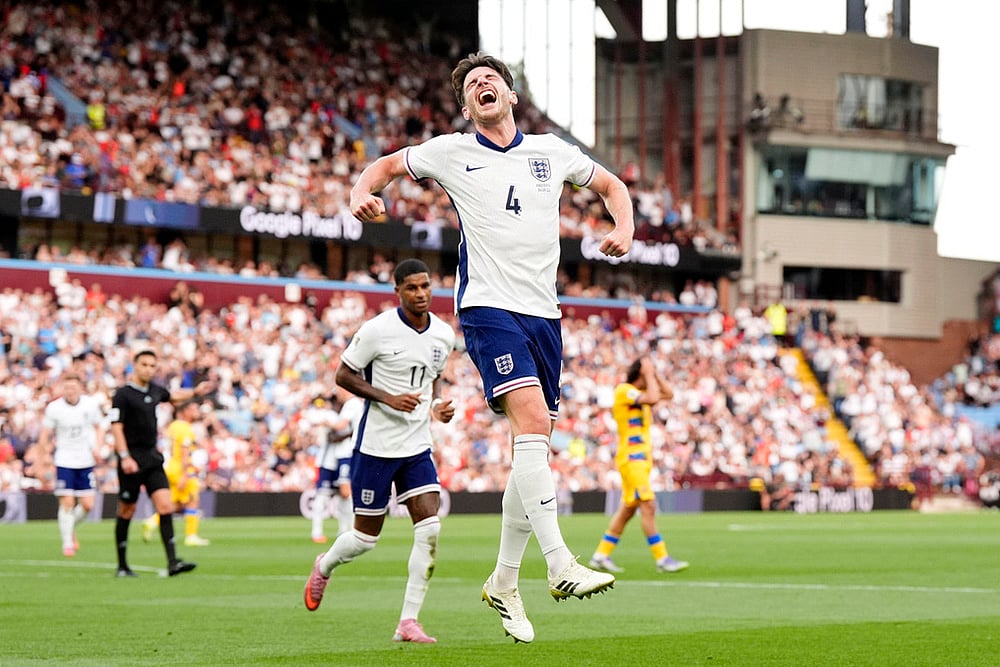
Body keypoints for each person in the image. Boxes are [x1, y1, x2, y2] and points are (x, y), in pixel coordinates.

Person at [349, 52, 635, 644]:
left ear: (510, 94)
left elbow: (611, 185)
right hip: (488, 308)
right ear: (465, 107)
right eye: (472, 85)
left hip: (544, 316)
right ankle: (559, 564)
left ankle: (504, 580)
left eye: (490, 80)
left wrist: (623, 226)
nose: (483, 86)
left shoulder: (551, 153)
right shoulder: (451, 151)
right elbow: (381, 168)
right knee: (531, 421)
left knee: (532, 447)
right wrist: (361, 193)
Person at [304, 259, 456, 644]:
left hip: (417, 444)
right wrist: (388, 398)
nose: (421, 294)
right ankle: (324, 565)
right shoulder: (376, 331)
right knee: (364, 539)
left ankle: (408, 622)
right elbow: (343, 375)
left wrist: (437, 407)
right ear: (398, 291)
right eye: (412, 288)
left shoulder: (442, 334)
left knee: (430, 529)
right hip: (376, 447)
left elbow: (433, 380)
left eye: (426, 287)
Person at [110, 349, 212, 577]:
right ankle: (122, 565)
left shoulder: (155, 390)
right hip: (131, 458)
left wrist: (195, 391)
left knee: (165, 506)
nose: (148, 369)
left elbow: (172, 396)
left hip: (152, 458)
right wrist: (124, 456)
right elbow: (116, 427)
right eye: (144, 364)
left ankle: (173, 562)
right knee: (127, 510)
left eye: (152, 366)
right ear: (135, 365)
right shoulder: (123, 395)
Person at [589, 358, 689, 574]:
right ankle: (662, 558)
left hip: (641, 459)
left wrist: (653, 373)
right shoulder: (625, 390)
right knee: (649, 505)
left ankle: (600, 555)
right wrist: (649, 374)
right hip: (632, 459)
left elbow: (669, 394)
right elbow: (654, 398)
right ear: (641, 374)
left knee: (627, 510)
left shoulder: (639, 395)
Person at [37, 373, 105, 557]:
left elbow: (99, 426)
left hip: (85, 460)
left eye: (73, 387)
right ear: (63, 388)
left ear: (80, 388)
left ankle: (69, 527)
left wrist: (98, 446)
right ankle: (67, 542)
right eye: (67, 388)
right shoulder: (54, 408)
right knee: (67, 502)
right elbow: (45, 435)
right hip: (64, 460)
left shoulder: (90, 405)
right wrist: (44, 459)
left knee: (88, 504)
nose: (70, 391)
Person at [141, 399, 211, 547]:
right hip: (181, 469)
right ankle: (191, 536)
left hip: (171, 466)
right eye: (193, 408)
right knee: (192, 500)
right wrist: (186, 473)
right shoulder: (184, 428)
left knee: (175, 504)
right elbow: (184, 451)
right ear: (184, 411)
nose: (195, 411)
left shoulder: (172, 426)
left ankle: (152, 521)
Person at [310, 390, 364, 543]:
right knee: (328, 495)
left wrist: (326, 423)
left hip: (342, 456)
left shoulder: (347, 408)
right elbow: (333, 436)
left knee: (345, 493)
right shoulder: (333, 414)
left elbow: (340, 428)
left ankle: (347, 530)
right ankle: (321, 531)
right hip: (329, 459)